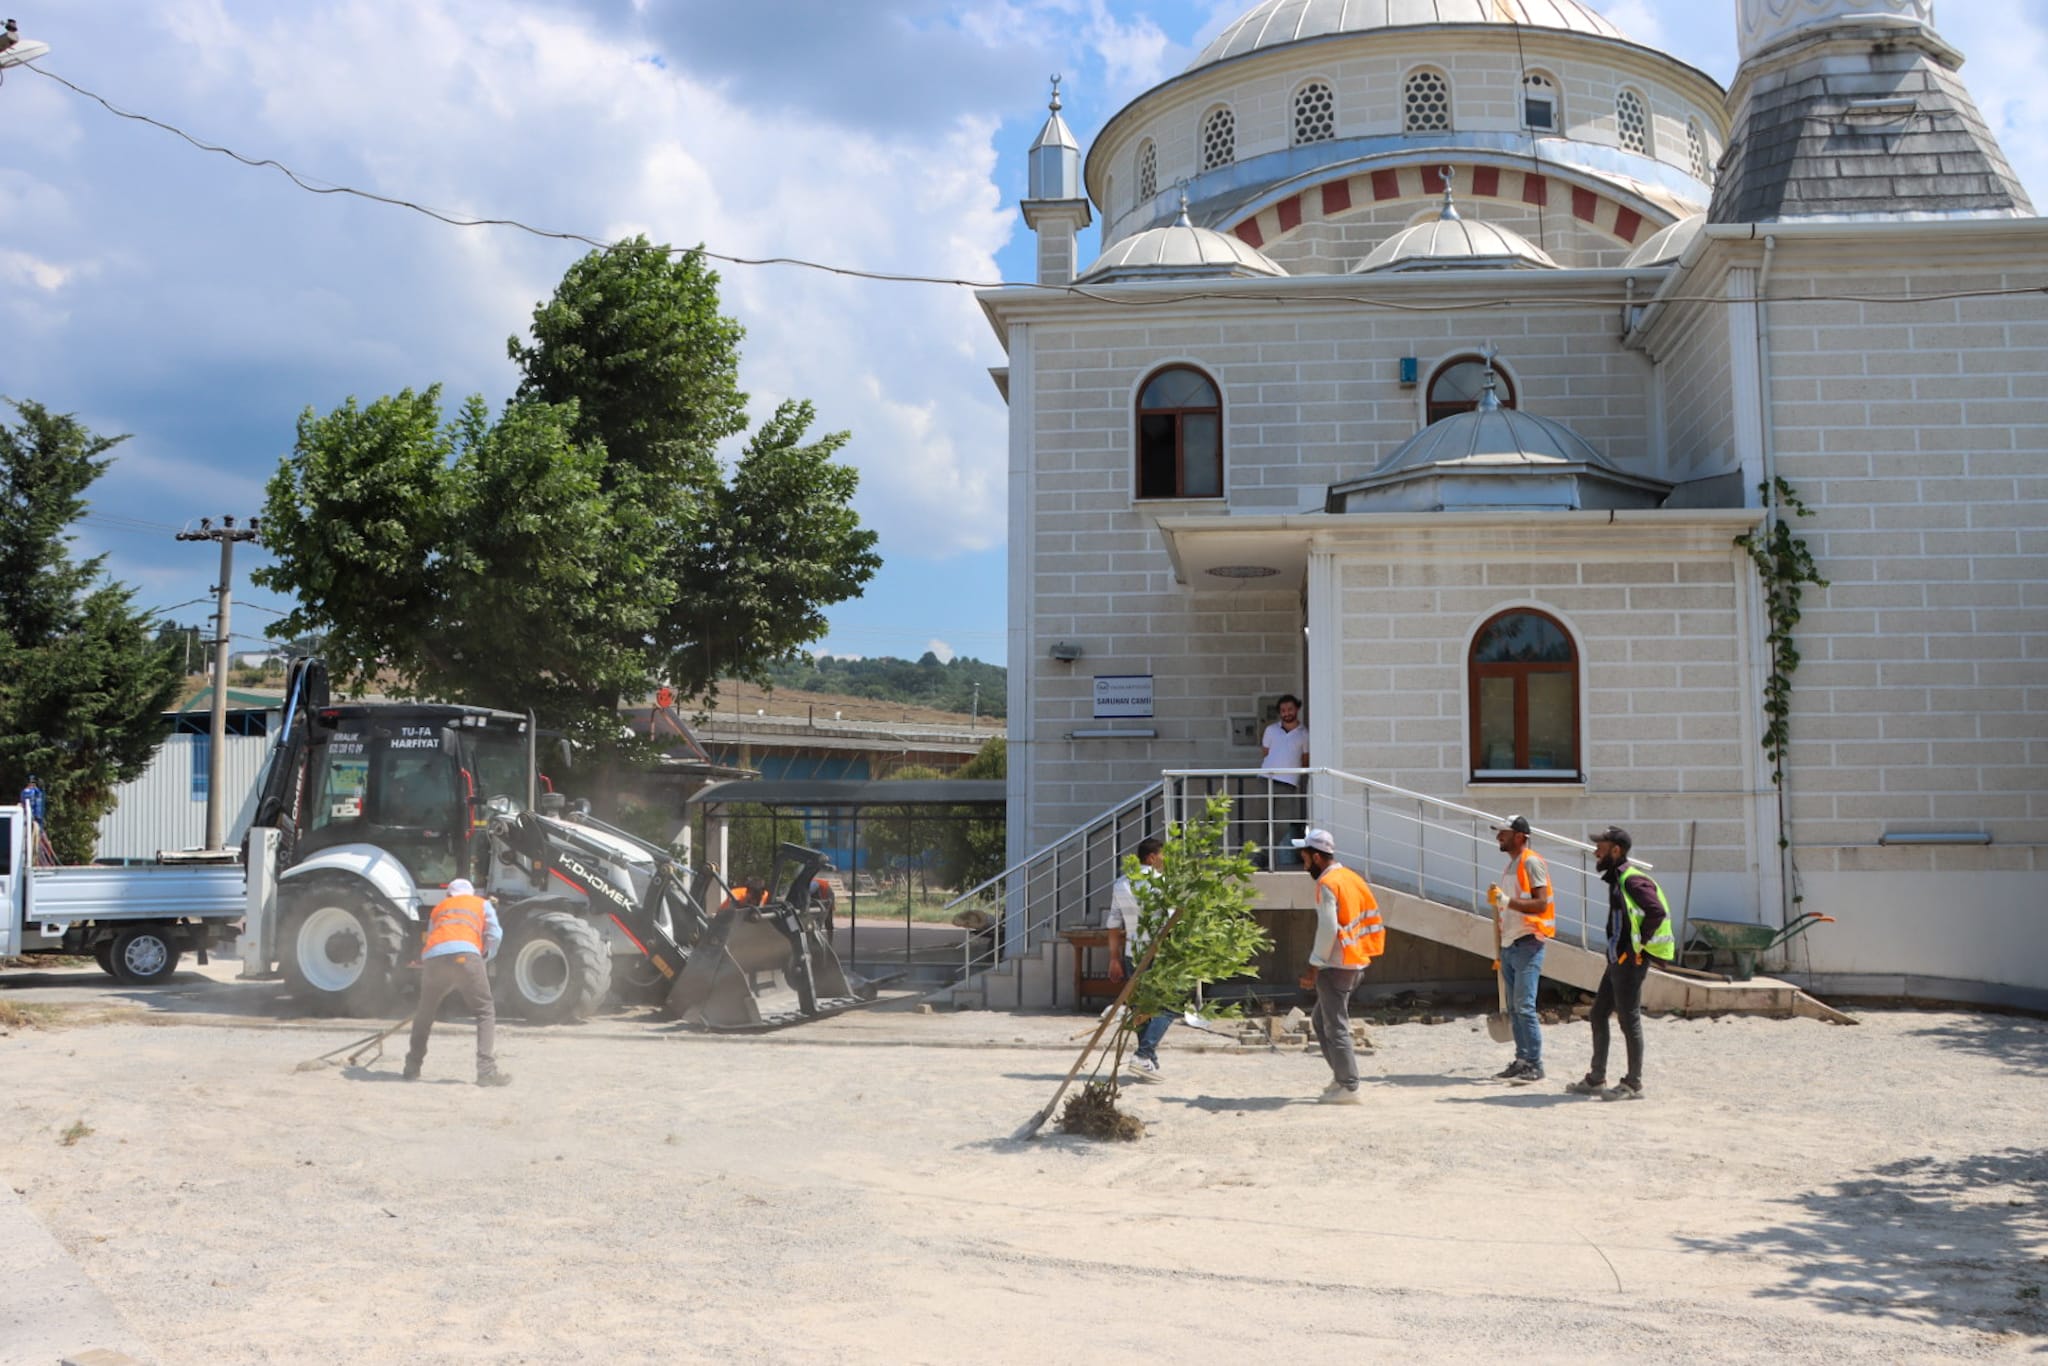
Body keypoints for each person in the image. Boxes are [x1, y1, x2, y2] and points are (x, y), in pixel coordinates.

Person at [1565, 826, 1674, 1102]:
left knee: (1629, 1019)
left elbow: (1656, 911)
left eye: (1600, 846)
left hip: (1628, 962)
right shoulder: (1618, 880)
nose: (1595, 851)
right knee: (1599, 1013)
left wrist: (1637, 947)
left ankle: (1633, 1083)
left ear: (1616, 850)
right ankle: (1596, 1078)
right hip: (1617, 960)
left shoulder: (1631, 880)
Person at [1293, 828, 1384, 1105]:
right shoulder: (1351, 878)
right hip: (1355, 960)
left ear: (1317, 857)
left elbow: (1328, 928)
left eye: (1305, 857)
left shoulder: (1327, 884)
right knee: (1322, 1021)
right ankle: (1342, 1077)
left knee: (1335, 1026)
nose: (1303, 862)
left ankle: (1349, 1085)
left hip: (1337, 964)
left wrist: (1313, 966)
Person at [403, 878, 511, 1087]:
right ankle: (486, 1071)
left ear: (449, 895)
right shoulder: (481, 904)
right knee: (484, 1010)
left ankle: (412, 1066)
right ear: (470, 893)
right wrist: (484, 956)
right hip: (467, 957)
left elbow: (436, 937)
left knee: (425, 1012)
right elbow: (495, 934)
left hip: (434, 960)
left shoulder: (439, 909)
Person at [1490, 814, 1554, 1084]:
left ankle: (1535, 1065)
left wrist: (1505, 900)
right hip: (1511, 943)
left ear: (1520, 836)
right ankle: (1522, 1060)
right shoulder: (1512, 866)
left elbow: (1540, 904)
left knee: (1524, 1006)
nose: (1498, 837)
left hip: (1529, 940)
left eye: (1503, 832)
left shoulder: (1532, 862)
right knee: (1516, 1009)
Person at [1106, 837, 1173, 1081]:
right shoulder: (1160, 883)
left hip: (1131, 952)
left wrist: (1113, 958)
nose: (1165, 861)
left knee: (1140, 1007)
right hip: (1157, 952)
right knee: (1169, 1006)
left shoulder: (1121, 883)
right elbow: (1171, 921)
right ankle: (1144, 1054)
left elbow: (1113, 924)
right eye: (1163, 855)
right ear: (1152, 857)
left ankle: (1148, 1061)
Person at [1257, 695, 1310, 866]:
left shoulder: (1304, 734)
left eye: (1290, 709)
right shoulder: (1271, 730)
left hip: (1288, 783)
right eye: (1283, 710)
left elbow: (1305, 759)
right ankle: (1264, 861)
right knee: (1263, 822)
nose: (1286, 713)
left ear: (1297, 709)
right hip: (1266, 780)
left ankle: (1261, 856)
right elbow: (1266, 752)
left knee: (1282, 825)